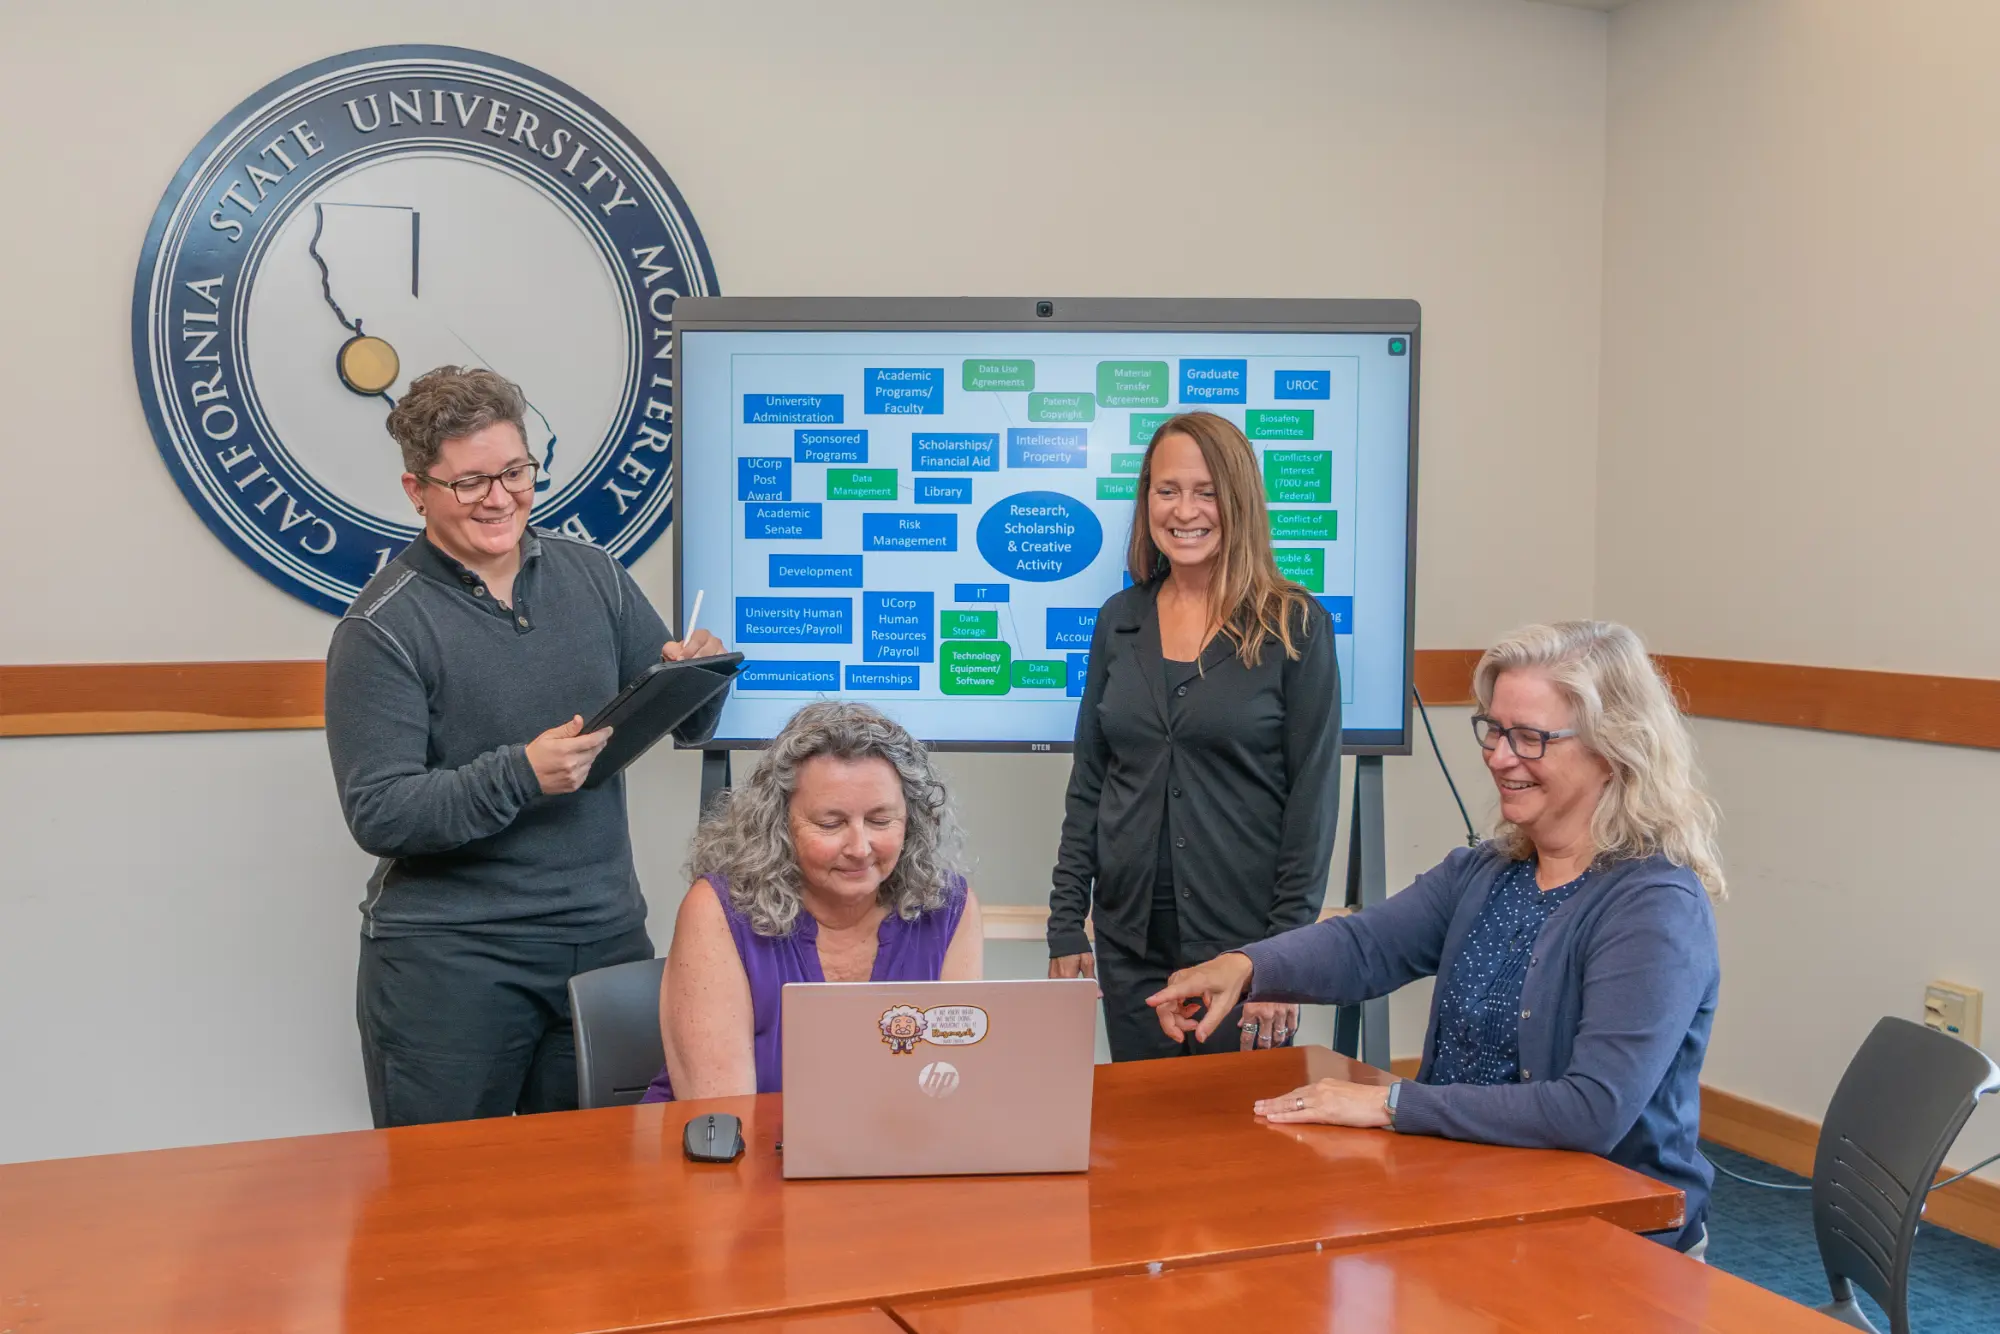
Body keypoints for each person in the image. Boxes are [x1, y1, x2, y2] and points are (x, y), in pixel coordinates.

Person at [1148, 621, 1723, 1254]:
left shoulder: (1654, 907)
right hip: (1472, 1194)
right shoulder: (1488, 870)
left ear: (1613, 748)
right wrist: (1244, 967)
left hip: (1609, 1236)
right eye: (1494, 730)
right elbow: (1366, 946)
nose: (1500, 757)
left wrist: (1393, 1104)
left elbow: (1590, 1110)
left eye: (1529, 737)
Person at [325, 365, 726, 1128]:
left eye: (514, 471)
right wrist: (519, 774)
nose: (501, 497)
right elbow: (379, 811)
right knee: (445, 1210)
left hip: (603, 942)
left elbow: (684, 722)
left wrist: (697, 675)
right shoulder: (380, 628)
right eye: (470, 482)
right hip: (451, 964)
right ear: (417, 492)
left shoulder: (595, 576)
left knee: (605, 1203)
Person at [1047, 411, 1342, 1061]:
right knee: (1145, 1146)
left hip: (1244, 960)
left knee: (1239, 1153)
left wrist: (1280, 963)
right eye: (1167, 489)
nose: (1185, 510)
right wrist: (1066, 922)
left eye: (1206, 491)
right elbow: (1090, 783)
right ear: (1146, 498)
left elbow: (1312, 809)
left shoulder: (1296, 628)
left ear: (1238, 500)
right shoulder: (1119, 622)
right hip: (1129, 951)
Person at [644, 701, 983, 1100]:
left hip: (892, 1152)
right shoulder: (717, 910)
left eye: (880, 820)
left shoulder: (948, 907)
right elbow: (721, 1119)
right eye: (830, 823)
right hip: (731, 1153)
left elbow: (953, 1090)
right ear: (780, 826)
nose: (860, 847)